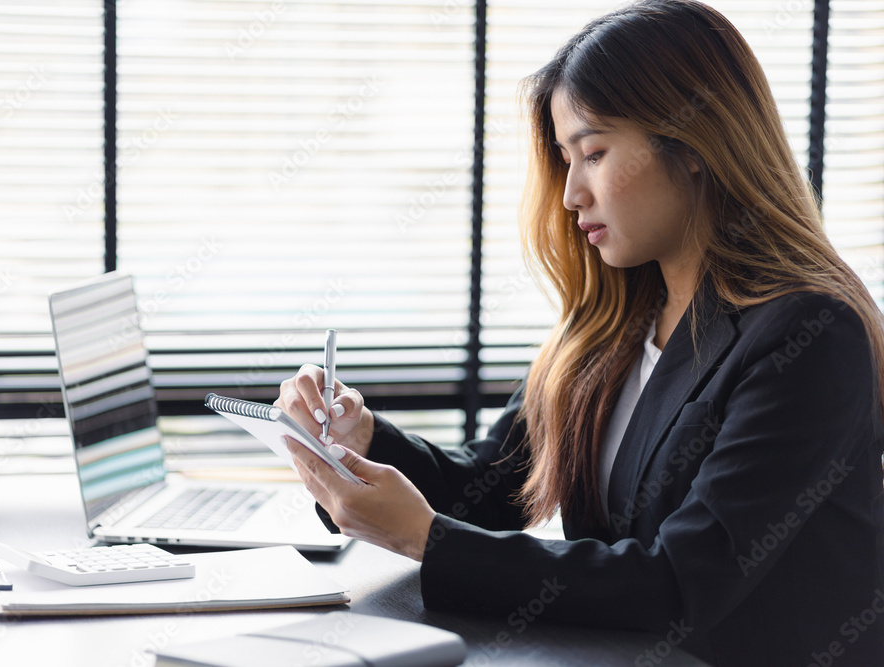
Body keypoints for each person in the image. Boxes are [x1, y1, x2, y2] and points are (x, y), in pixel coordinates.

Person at [274, 1, 884, 664]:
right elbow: (493, 488)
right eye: (566, 159)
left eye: (593, 153)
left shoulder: (809, 335)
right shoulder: (615, 318)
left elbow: (678, 583)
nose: (571, 195)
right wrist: (360, 441)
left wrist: (426, 538)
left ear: (696, 146)